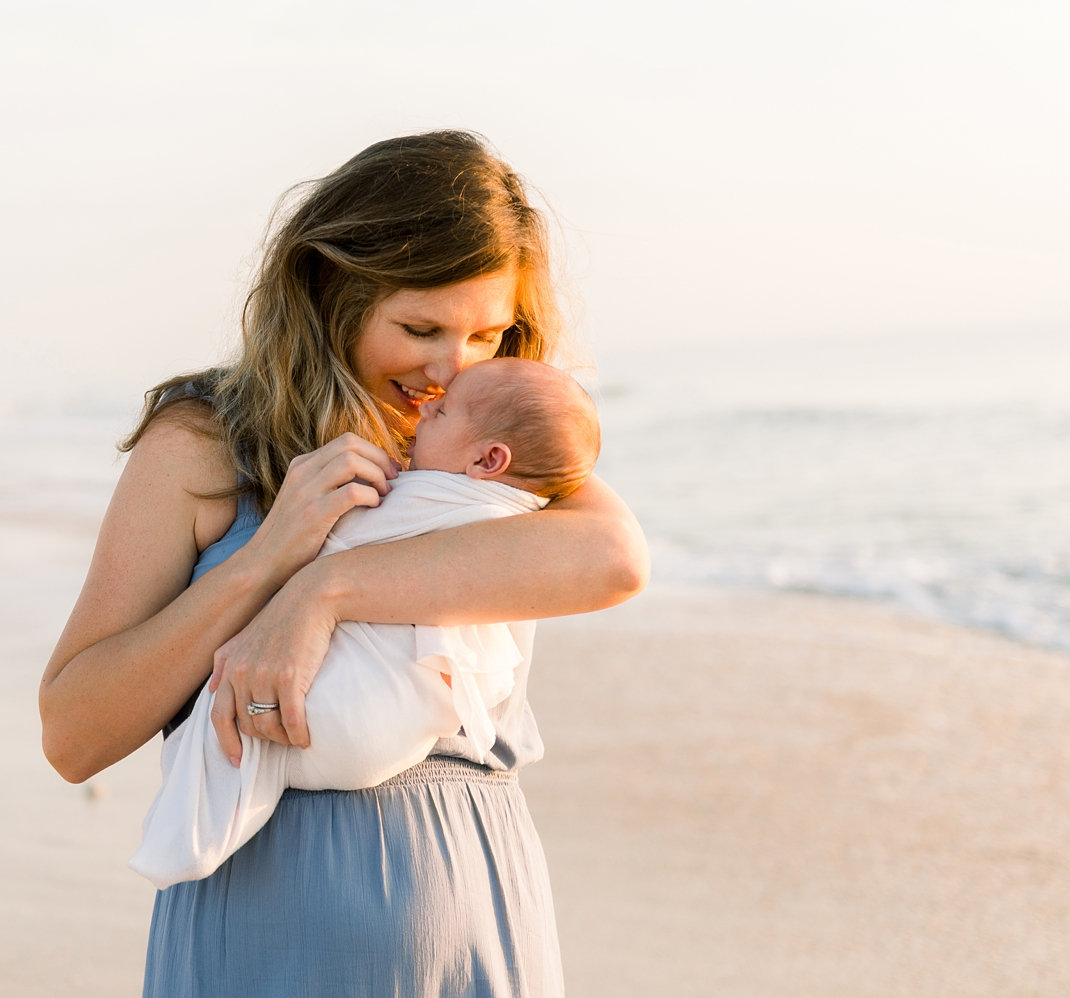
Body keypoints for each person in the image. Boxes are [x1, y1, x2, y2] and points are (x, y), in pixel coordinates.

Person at [39, 130, 649, 998]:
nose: (451, 370)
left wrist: (321, 592)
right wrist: (265, 564)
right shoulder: (204, 447)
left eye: (488, 334)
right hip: (257, 913)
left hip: (465, 892)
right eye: (419, 327)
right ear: (333, 294)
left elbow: (618, 560)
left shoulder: (495, 450)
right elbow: (74, 733)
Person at [129, 357, 602, 888]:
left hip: (358, 730)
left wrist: (313, 577)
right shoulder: (528, 516)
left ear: (489, 459)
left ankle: (186, 832)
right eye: (420, 331)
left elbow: (620, 559)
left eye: (442, 413)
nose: (429, 405)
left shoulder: (446, 499)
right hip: (396, 749)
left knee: (228, 729)